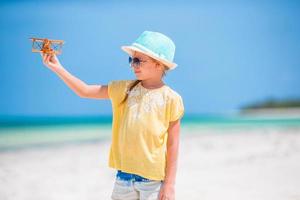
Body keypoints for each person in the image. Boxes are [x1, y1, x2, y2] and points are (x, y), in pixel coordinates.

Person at [41, 30, 184, 200]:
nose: (133, 65)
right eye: (131, 60)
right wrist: (58, 68)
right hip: (123, 179)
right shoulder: (124, 89)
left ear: (159, 64)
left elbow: (173, 145)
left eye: (138, 60)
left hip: (153, 181)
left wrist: (169, 184)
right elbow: (85, 91)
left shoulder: (171, 99)